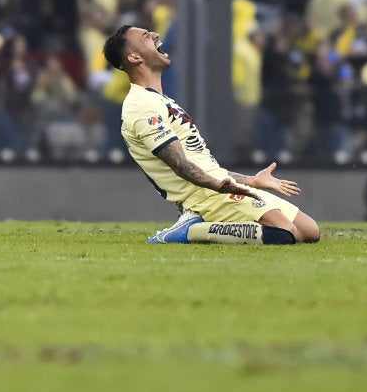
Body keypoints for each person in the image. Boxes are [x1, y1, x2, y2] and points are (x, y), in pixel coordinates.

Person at [102, 24, 320, 245]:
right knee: (285, 233)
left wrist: (252, 181)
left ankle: (200, 224)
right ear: (135, 57)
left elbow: (205, 166)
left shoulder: (163, 101)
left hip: (215, 186)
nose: (156, 35)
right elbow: (180, 165)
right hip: (204, 196)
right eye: (146, 37)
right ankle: (191, 230)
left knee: (309, 231)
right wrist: (217, 186)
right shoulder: (141, 107)